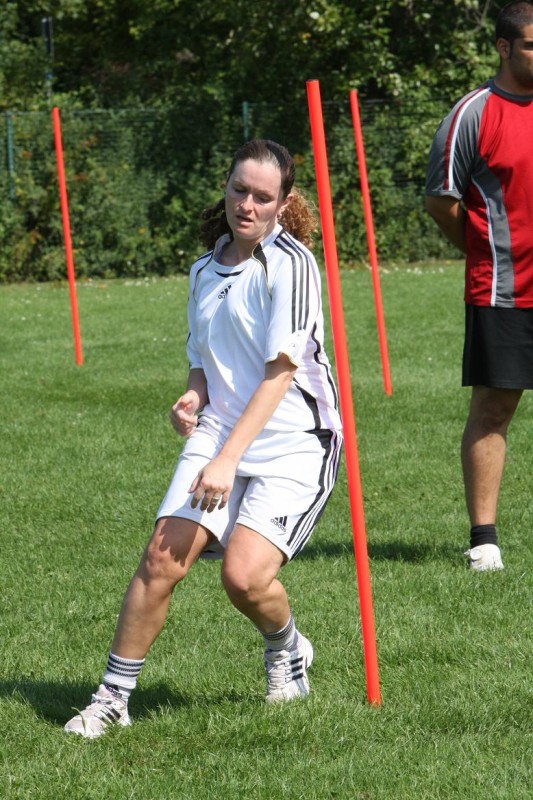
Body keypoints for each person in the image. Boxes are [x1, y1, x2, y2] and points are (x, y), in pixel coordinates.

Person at [64, 139, 343, 738]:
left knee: (243, 579)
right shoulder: (202, 269)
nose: (247, 205)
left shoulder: (291, 265)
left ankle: (287, 647)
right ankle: (112, 699)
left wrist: (227, 460)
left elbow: (279, 374)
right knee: (160, 559)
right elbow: (203, 361)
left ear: (283, 203)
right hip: (220, 432)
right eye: (239, 190)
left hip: (295, 441)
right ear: (226, 187)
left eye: (263, 197)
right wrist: (193, 397)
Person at [425, 1, 533, 571]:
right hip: (503, 290)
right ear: (504, 47)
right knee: (494, 410)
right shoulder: (473, 114)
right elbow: (439, 200)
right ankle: (484, 540)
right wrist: (482, 249)